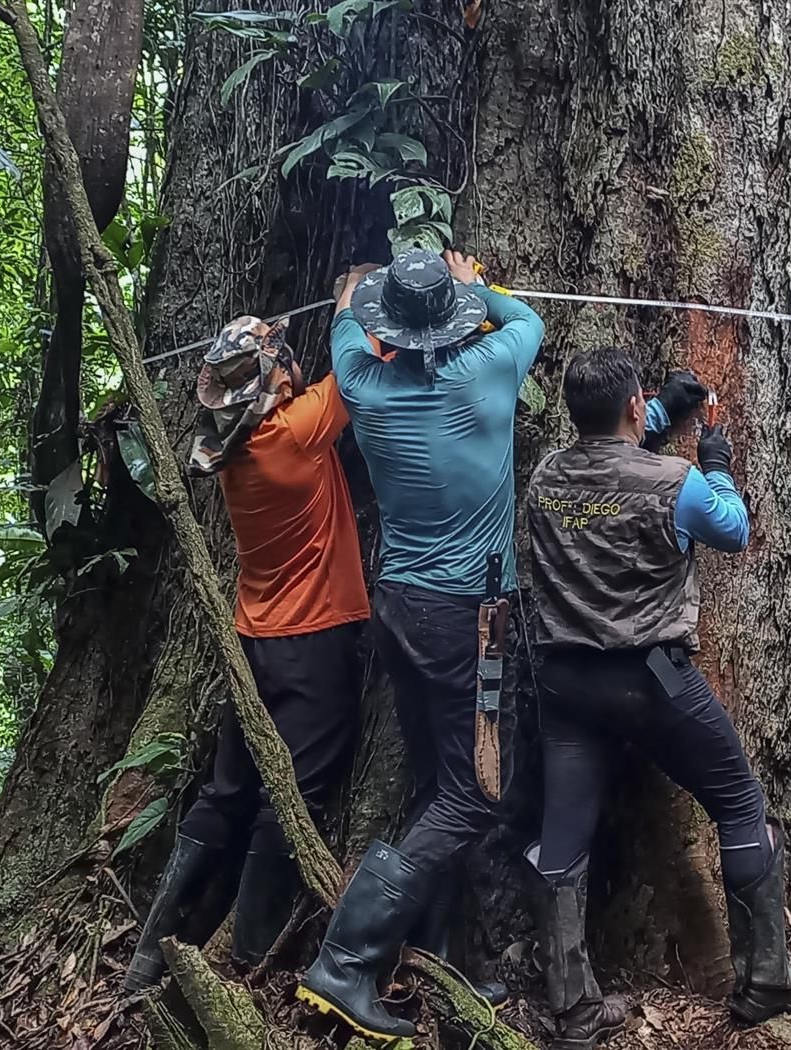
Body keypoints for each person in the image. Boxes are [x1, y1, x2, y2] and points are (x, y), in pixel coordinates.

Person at [295, 248, 543, 1040]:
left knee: (440, 779)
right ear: (456, 322)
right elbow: (527, 318)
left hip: (397, 607)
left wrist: (354, 290)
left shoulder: (361, 385)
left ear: (387, 330)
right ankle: (345, 960)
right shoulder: (490, 371)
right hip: (468, 619)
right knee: (477, 793)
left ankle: (438, 951)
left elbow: (341, 317)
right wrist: (477, 286)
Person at [523, 347, 791, 1050]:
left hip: (563, 682)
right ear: (629, 406)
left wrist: (656, 413)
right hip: (651, 679)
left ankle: (571, 1008)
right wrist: (715, 460)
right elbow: (732, 532)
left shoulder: (545, 477)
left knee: (564, 837)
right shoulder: (675, 481)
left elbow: (607, 465)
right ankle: (765, 979)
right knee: (739, 805)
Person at [123, 315, 368, 990]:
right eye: (283, 359)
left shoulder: (229, 447)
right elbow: (358, 367)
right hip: (312, 643)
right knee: (295, 795)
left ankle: (149, 955)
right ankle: (247, 958)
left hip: (254, 641)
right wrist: (352, 301)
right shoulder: (294, 433)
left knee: (226, 789)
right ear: (277, 381)